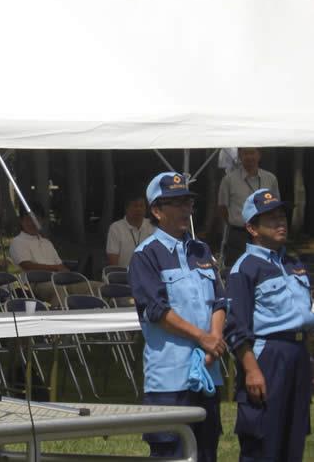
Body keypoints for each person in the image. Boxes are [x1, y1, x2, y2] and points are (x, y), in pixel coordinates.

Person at [129, 172, 226, 462]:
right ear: (157, 211)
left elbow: (220, 300)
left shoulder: (202, 250)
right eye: (177, 203)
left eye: (188, 202)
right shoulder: (146, 255)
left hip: (208, 373)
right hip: (169, 379)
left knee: (207, 451)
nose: (186, 209)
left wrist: (215, 340)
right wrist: (203, 338)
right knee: (171, 453)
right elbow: (156, 311)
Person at [224, 188, 314, 461]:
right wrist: (251, 371)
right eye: (271, 219)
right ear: (252, 227)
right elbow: (236, 328)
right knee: (263, 439)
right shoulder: (246, 268)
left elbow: (304, 315)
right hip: (267, 356)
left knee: (293, 437)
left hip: (298, 354)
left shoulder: (293, 262)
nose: (281, 223)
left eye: (282, 216)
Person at [218, 148, 280, 266]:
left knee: (266, 267)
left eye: (252, 153)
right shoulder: (229, 180)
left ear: (259, 155)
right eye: (245, 153)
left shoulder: (271, 179)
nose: (249, 157)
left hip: (265, 232)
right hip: (239, 234)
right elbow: (222, 207)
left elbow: (276, 206)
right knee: (236, 267)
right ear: (240, 156)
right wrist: (234, 222)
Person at [106, 193, 154, 267]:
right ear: (127, 208)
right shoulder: (116, 228)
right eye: (135, 206)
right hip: (124, 275)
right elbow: (113, 259)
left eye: (141, 206)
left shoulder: (153, 226)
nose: (139, 209)